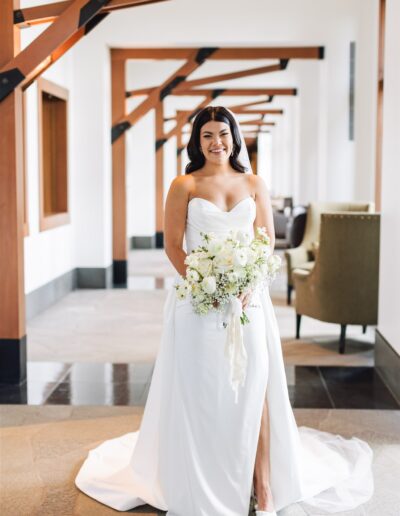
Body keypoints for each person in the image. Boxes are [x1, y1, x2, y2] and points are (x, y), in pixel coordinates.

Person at [75, 106, 374, 515]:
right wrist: (202, 285)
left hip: (249, 300)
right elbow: (174, 246)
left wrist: (250, 284)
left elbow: (266, 239)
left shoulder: (254, 182)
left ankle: (263, 485)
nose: (217, 143)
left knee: (257, 386)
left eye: (223, 134)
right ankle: (204, 482)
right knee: (202, 391)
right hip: (198, 302)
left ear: (235, 137)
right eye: (207, 136)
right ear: (197, 142)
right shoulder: (184, 184)